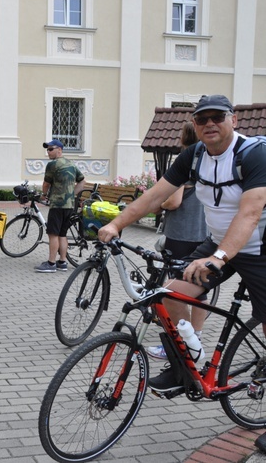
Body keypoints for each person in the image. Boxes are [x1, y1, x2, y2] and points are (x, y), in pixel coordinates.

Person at [97, 94, 266, 395]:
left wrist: (219, 257)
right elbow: (154, 196)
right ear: (195, 125)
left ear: (233, 120)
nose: (210, 124)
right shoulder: (195, 155)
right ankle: (186, 365)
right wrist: (116, 224)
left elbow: (250, 212)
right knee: (172, 294)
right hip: (217, 244)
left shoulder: (255, 154)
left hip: (258, 249)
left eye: (218, 117)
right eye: (202, 119)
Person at [146, 122, 208, 361]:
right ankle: (196, 338)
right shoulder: (208, 159)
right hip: (203, 234)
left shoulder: (186, 159)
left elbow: (174, 201)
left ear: (182, 138)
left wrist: (159, 205)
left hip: (181, 233)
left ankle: (179, 344)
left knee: (174, 291)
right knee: (199, 290)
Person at [35, 139, 85, 273]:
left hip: (57, 204)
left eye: (51, 149)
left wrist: (44, 195)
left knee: (53, 234)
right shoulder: (71, 164)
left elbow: (46, 184)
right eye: (47, 149)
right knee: (62, 234)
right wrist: (72, 195)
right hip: (69, 206)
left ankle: (51, 264)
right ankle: (62, 262)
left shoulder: (52, 165)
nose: (48, 152)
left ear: (59, 150)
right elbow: (82, 181)